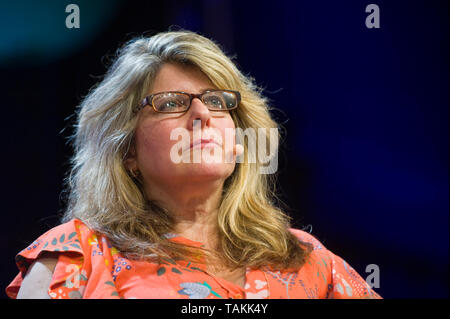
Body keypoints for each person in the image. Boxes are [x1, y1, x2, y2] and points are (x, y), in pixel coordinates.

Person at [6, 30, 381, 299]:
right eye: (170, 104)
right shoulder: (77, 255)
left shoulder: (310, 261)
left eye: (218, 102)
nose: (202, 113)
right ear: (127, 152)